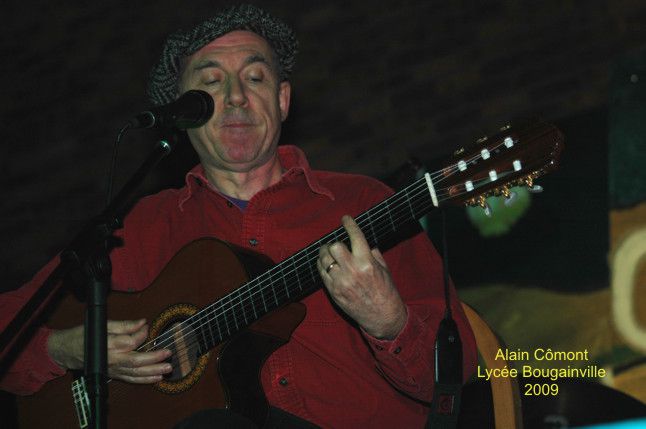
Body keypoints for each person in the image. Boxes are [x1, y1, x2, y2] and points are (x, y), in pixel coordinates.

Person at [0, 4, 476, 428]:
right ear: (182, 115)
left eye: (255, 77)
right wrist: (67, 348)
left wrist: (389, 321)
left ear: (283, 99)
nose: (234, 97)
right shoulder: (140, 228)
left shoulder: (365, 204)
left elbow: (459, 375)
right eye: (209, 83)